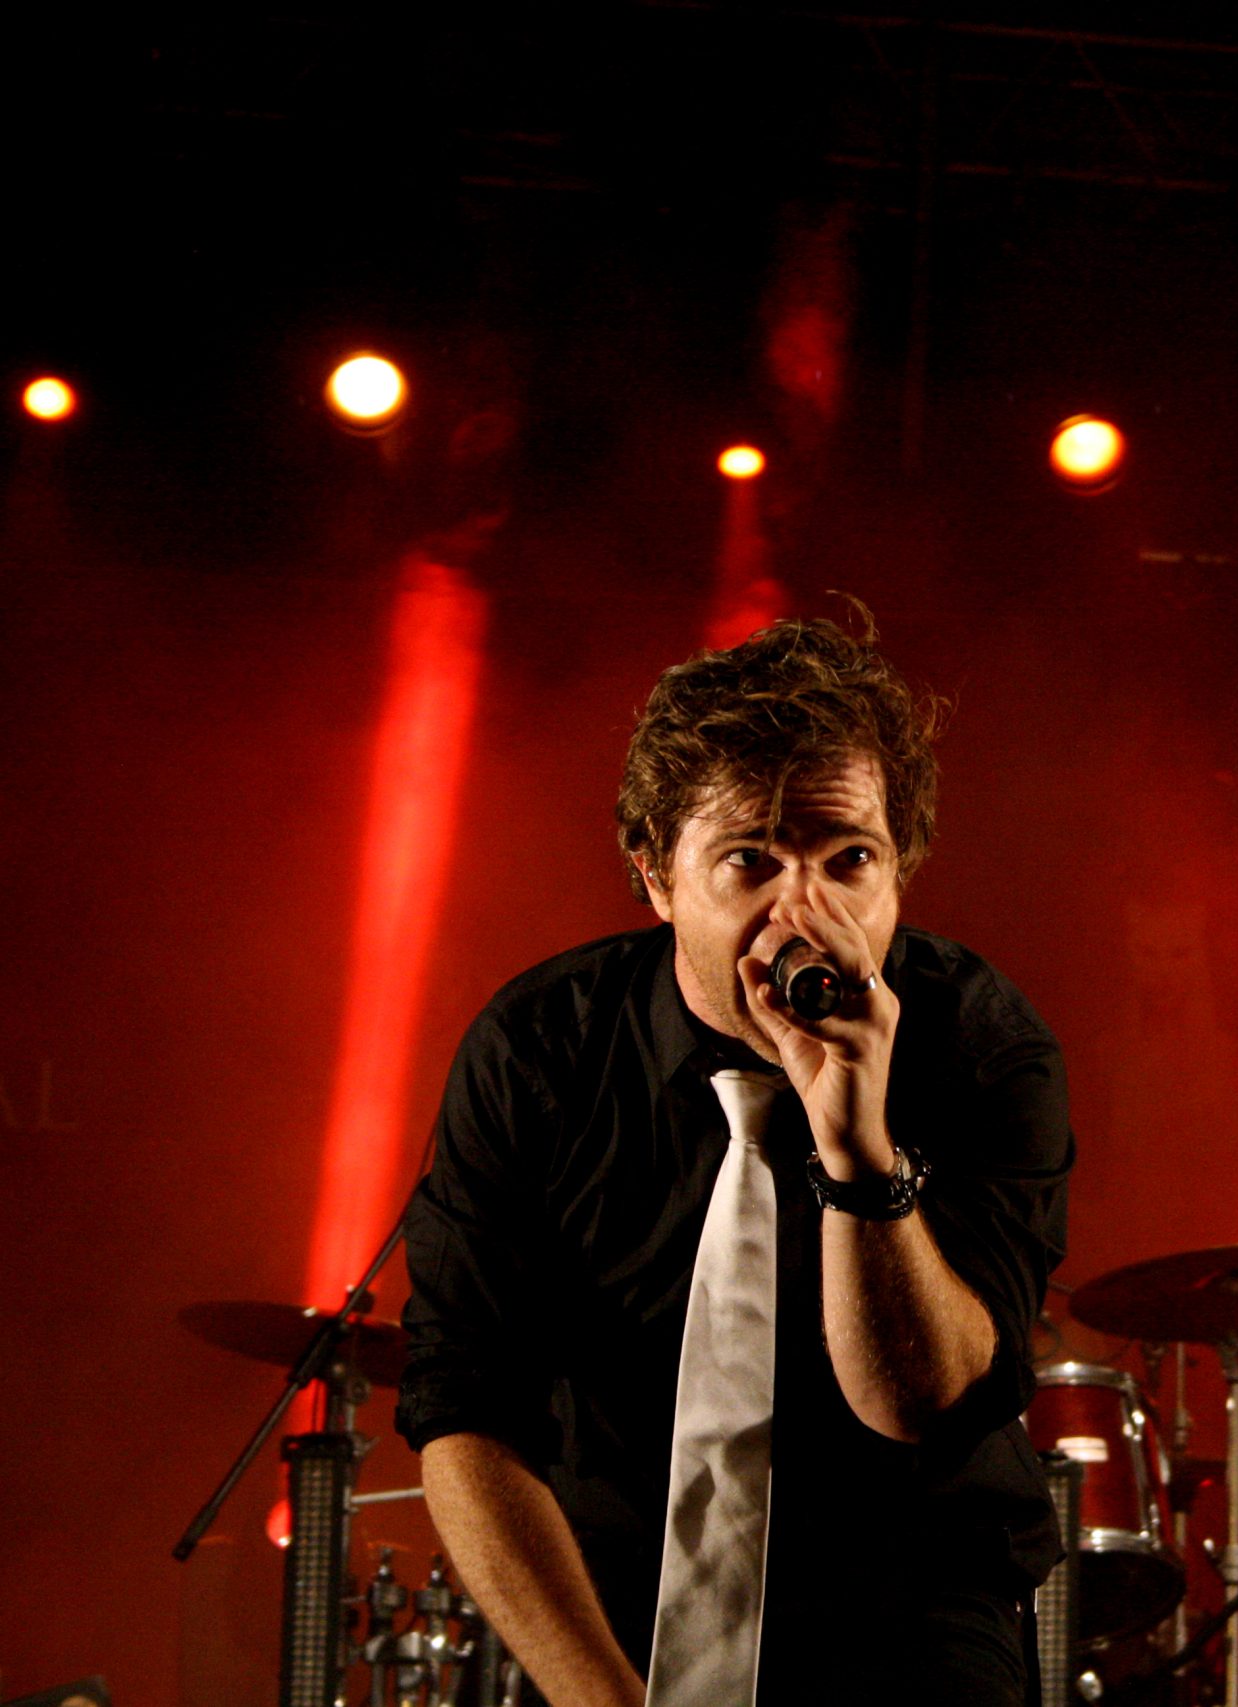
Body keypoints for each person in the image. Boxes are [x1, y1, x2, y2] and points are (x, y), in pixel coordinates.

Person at [396, 614, 1073, 1705]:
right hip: (611, 1608)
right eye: (751, 859)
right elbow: (467, 1415)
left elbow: (919, 1400)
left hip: (910, 1606)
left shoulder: (982, 1046)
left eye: (850, 859)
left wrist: (854, 1141)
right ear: (656, 875)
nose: (805, 910)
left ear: (902, 870)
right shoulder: (540, 1052)